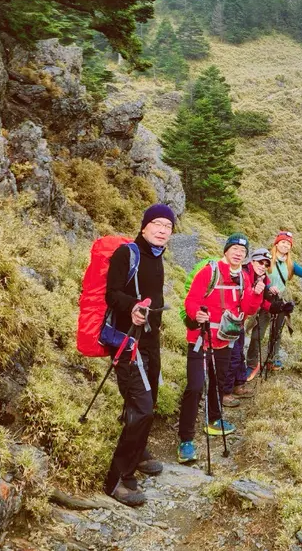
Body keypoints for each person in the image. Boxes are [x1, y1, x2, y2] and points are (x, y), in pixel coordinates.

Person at [103, 204, 175, 507]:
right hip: (127, 341)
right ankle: (119, 479)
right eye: (157, 224)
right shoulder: (127, 253)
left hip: (150, 340)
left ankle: (139, 450)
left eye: (168, 226)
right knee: (142, 406)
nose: (162, 230)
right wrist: (132, 306)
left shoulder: (158, 257)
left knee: (150, 399)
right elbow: (112, 293)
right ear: (144, 226)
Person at [177, 233, 258, 464]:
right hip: (201, 338)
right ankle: (186, 439)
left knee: (218, 381)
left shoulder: (243, 277)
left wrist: (257, 291)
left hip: (224, 339)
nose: (238, 253)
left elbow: (248, 308)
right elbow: (191, 300)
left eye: (243, 251)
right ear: (226, 250)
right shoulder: (210, 271)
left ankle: (213, 420)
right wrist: (196, 313)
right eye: (234, 249)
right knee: (194, 387)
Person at [246, 230, 302, 379]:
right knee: (257, 333)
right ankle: (251, 363)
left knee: (277, 333)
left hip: (279, 300)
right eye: (283, 242)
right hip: (264, 299)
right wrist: (266, 287)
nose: (285, 245)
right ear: (276, 243)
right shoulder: (267, 259)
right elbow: (256, 274)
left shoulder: (290, 264)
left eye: (288, 243)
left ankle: (273, 359)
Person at [222, 247, 276, 407]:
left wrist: (275, 306)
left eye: (266, 264)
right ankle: (225, 393)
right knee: (233, 357)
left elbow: (262, 301)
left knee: (239, 355)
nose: (263, 266)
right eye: (260, 262)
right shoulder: (243, 274)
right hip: (230, 319)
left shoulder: (263, 278)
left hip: (240, 320)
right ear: (252, 261)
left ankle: (238, 385)